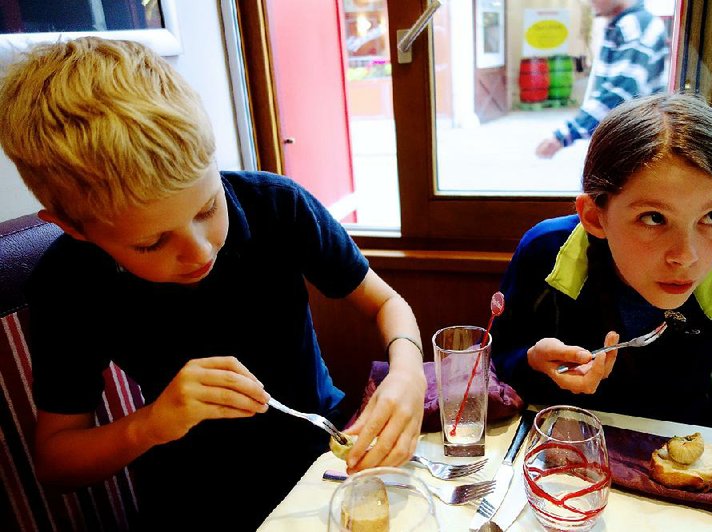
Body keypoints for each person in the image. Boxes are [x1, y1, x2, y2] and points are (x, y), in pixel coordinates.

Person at [0, 37, 426, 530]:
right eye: (152, 242)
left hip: (323, 460)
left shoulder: (277, 206)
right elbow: (56, 462)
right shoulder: (68, 282)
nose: (200, 251)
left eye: (207, 208)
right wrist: (152, 422)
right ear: (74, 228)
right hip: (197, 501)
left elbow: (385, 303)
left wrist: (408, 370)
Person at [493, 93, 712, 433]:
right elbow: (499, 360)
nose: (686, 256)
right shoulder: (547, 252)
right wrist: (532, 363)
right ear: (595, 217)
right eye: (654, 218)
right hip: (570, 448)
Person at [535, 0, 669, 159]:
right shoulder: (624, 23)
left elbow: (620, 93)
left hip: (633, 144)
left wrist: (563, 136)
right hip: (628, 140)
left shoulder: (634, 26)